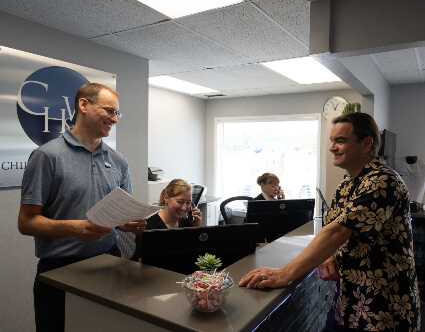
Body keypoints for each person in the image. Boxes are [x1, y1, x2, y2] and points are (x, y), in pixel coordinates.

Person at [239, 113, 421, 331]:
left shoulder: (383, 180)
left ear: (366, 144)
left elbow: (338, 232)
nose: (332, 147)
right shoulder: (346, 185)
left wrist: (284, 273)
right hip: (347, 304)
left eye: (340, 141)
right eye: (332, 141)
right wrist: (327, 253)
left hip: (382, 309)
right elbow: (330, 229)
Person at [18, 83, 147, 332]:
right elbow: (26, 222)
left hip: (110, 264)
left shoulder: (119, 160)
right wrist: (74, 228)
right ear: (84, 105)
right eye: (110, 111)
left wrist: (129, 222)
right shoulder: (47, 156)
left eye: (116, 114)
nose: (114, 119)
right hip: (60, 270)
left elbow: (122, 213)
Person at [134, 179, 202, 261]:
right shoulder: (148, 228)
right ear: (166, 198)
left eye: (188, 203)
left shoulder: (186, 224)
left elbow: (193, 255)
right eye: (179, 202)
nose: (184, 208)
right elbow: (143, 265)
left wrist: (196, 229)